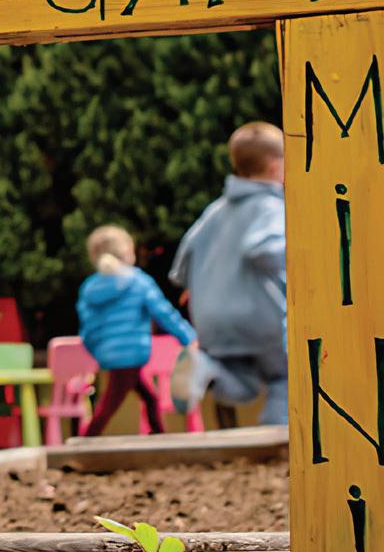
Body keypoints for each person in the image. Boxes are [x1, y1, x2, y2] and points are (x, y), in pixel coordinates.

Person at [173, 120, 290, 428]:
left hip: (212, 322)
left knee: (243, 385)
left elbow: (181, 263)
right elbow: (262, 249)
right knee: (286, 377)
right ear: (275, 167)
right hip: (259, 317)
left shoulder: (215, 211)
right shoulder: (269, 206)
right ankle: (278, 437)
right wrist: (301, 257)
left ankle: (206, 369)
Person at [74, 227, 191, 436]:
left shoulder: (89, 288)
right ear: (128, 253)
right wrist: (188, 337)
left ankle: (158, 435)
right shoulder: (138, 282)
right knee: (109, 405)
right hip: (132, 355)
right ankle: (86, 441)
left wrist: (98, 351)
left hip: (110, 356)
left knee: (150, 398)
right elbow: (164, 314)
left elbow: (87, 328)